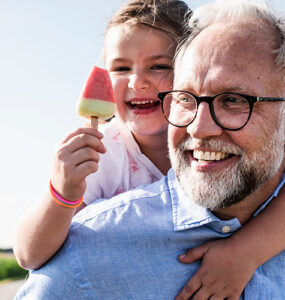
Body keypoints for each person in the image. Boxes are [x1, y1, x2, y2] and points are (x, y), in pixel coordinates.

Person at [14, 0, 285, 299]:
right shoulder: (102, 154)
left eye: (158, 66)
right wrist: (61, 193)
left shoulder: (264, 152)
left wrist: (245, 251)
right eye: (120, 67)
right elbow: (30, 256)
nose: (137, 81)